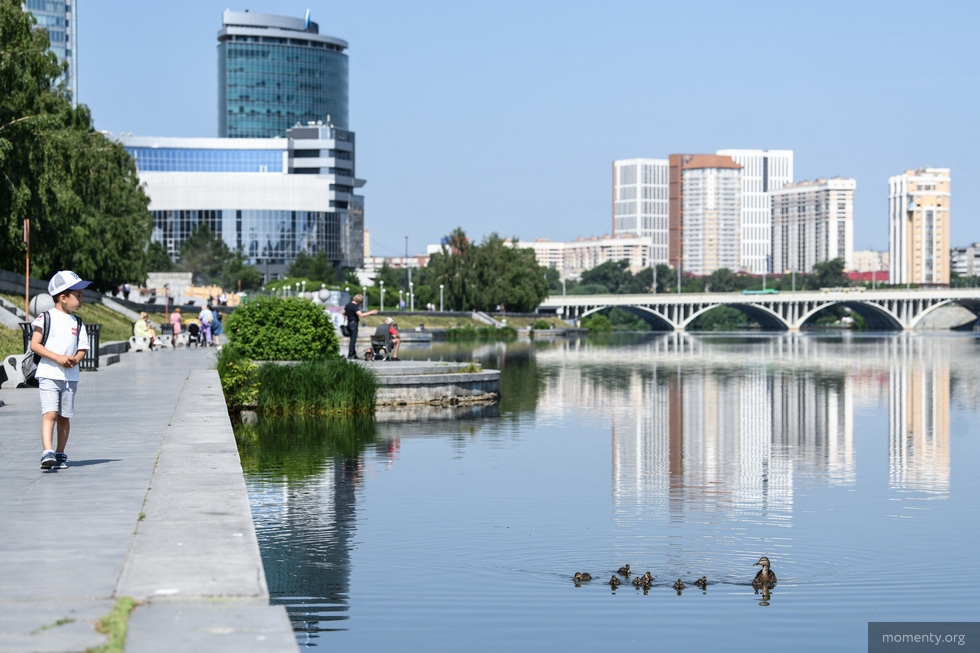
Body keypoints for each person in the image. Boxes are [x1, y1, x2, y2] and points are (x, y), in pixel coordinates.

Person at [31, 270, 90, 470]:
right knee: (50, 413)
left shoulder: (78, 322)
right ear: (63, 297)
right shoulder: (45, 317)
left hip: (69, 377)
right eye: (78, 296)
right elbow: (35, 345)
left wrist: (75, 360)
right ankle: (47, 452)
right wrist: (57, 358)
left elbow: (82, 349)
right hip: (48, 374)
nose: (82, 300)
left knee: (65, 416)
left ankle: (60, 452)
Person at [343, 294, 376, 359]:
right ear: (358, 301)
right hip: (353, 323)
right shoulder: (354, 306)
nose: (360, 303)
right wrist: (371, 312)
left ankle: (353, 354)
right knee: (353, 340)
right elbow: (361, 315)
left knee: (352, 339)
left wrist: (350, 314)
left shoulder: (348, 305)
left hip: (349, 323)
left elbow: (343, 312)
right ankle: (351, 355)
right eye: (360, 302)